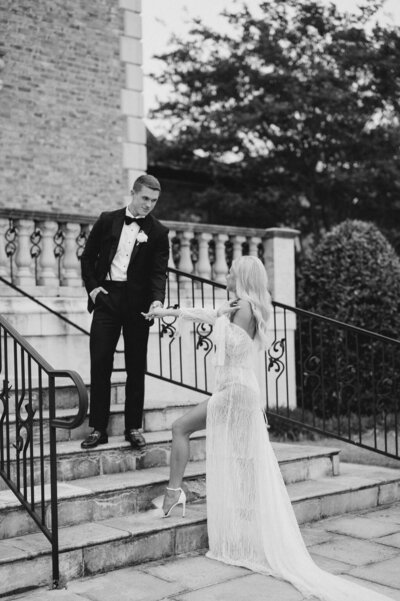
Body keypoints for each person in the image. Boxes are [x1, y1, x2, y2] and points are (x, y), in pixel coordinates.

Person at [143, 255, 394, 601]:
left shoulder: (243, 307)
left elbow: (226, 339)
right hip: (240, 391)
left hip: (235, 392)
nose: (226, 271)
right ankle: (243, 526)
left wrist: (216, 318)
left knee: (180, 427)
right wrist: (167, 313)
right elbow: (205, 314)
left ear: (242, 276)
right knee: (243, 459)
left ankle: (175, 494)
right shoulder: (242, 305)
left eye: (231, 269)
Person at [80, 174, 169, 450]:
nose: (148, 206)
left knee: (135, 366)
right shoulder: (108, 219)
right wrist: (94, 290)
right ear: (133, 193)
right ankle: (98, 428)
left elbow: (158, 273)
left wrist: (156, 302)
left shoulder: (159, 232)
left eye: (153, 201)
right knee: (101, 362)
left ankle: (133, 427)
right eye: (145, 199)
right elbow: (88, 257)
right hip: (107, 298)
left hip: (138, 305)